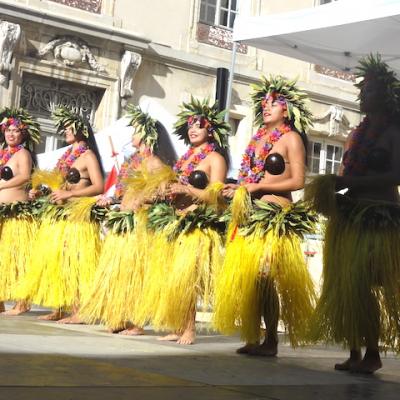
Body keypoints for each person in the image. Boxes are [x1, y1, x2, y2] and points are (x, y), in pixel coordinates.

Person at [306, 54, 400, 374]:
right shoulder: (355, 135)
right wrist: (335, 190)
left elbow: (395, 176)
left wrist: (349, 181)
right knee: (348, 286)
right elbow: (348, 174)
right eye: (362, 91)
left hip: (379, 218)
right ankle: (355, 352)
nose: (363, 96)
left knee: (363, 284)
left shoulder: (393, 133)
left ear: (385, 95)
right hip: (351, 216)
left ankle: (372, 353)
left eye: (370, 90)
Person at [213, 76, 317, 356]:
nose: (267, 107)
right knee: (252, 279)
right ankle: (253, 335)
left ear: (287, 110)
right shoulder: (257, 140)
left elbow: (298, 180)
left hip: (274, 217)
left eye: (274, 103)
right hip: (250, 216)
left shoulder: (291, 138)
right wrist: (239, 187)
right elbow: (251, 177)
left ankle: (271, 339)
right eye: (264, 103)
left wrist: (261, 186)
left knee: (266, 277)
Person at [139, 97, 230, 345]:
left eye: (199, 125)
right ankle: (178, 325)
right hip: (175, 222)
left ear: (210, 130)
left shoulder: (215, 159)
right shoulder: (186, 158)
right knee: (173, 277)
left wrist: (187, 191)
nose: (192, 129)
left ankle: (190, 328)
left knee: (189, 278)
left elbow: (217, 197)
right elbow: (179, 187)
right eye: (190, 125)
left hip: (197, 225)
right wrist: (167, 192)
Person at [79, 105, 174, 335]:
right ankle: (121, 316)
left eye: (136, 131)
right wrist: (110, 200)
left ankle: (138, 322)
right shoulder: (133, 161)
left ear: (146, 135)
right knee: (120, 272)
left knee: (136, 272)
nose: (132, 135)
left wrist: (144, 198)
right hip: (125, 220)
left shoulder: (155, 163)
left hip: (140, 224)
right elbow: (123, 193)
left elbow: (165, 192)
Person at [20, 106, 104, 322]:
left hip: (77, 216)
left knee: (76, 260)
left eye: (68, 128)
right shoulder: (66, 156)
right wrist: (42, 190)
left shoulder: (87, 156)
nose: (65, 131)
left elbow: (98, 186)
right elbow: (59, 185)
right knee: (60, 259)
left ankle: (79, 311)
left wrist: (68, 196)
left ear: (80, 131)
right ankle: (59, 308)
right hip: (61, 215)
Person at [0, 108, 40, 315]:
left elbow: (25, 176)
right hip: (2, 213)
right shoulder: (2, 153)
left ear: (23, 134)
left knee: (17, 257)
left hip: (16, 214)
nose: (11, 134)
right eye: (8, 130)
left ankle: (22, 302)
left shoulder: (23, 154)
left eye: (15, 130)